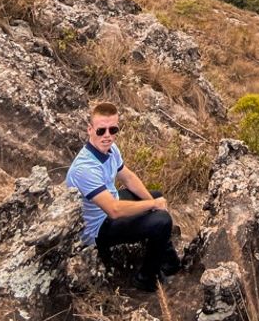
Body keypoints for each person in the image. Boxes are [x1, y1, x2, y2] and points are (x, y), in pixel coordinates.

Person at [66, 101, 180, 292]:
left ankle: (169, 262)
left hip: (110, 207)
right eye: (101, 130)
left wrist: (151, 201)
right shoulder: (84, 168)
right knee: (161, 220)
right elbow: (114, 210)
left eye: (113, 129)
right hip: (97, 229)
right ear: (90, 129)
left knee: (155, 196)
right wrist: (153, 205)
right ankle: (146, 278)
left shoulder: (110, 149)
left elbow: (128, 177)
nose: (108, 135)